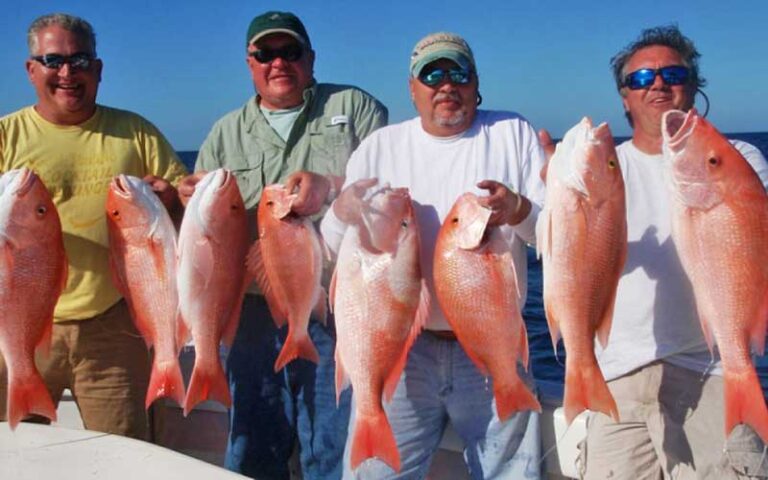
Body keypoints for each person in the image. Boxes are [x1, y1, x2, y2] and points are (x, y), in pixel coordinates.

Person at [320, 32, 545, 479]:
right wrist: (341, 212)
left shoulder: (511, 133)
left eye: (457, 72)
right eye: (432, 73)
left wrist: (517, 209)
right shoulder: (381, 147)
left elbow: (550, 235)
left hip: (493, 344)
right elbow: (330, 247)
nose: (446, 85)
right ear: (412, 88)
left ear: (475, 80)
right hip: (399, 348)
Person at [177, 11, 387, 480]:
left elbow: (386, 186)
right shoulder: (224, 133)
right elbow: (204, 236)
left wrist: (329, 184)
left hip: (337, 305)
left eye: (290, 52)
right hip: (249, 313)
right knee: (254, 446)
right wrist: (186, 197)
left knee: (337, 447)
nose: (278, 63)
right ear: (249, 64)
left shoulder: (355, 108)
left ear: (310, 59)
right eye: (265, 54)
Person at [565, 25, 768, 479]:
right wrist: (547, 202)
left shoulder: (739, 159)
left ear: (693, 84)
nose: (657, 83)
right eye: (641, 78)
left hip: (712, 368)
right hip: (618, 375)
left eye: (672, 73)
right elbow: (559, 251)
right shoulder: (604, 169)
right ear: (624, 96)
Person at [0, 13, 187, 440]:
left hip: (112, 329)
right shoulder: (5, 136)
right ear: (31, 70)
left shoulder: (134, 132)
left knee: (123, 451)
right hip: (15, 326)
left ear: (98, 69)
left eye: (80, 60)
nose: (68, 73)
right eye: (53, 60)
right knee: (17, 455)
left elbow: (183, 211)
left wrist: (172, 198)